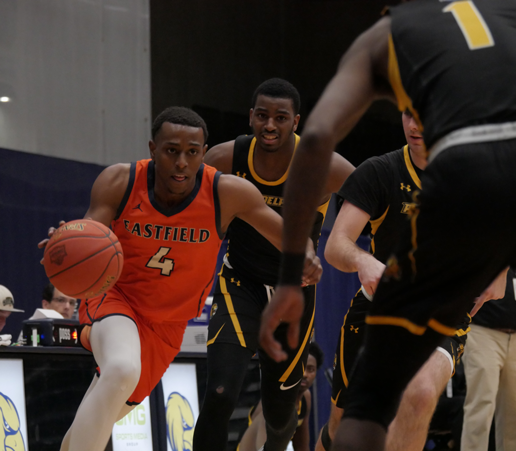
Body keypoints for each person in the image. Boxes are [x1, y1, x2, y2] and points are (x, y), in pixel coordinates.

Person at [259, 1, 516, 450]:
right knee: (349, 419)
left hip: (470, 182)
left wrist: (288, 280)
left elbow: (317, 138)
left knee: (402, 398)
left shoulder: (389, 33)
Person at [37, 106, 321, 451]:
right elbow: (89, 235)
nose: (182, 162)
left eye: (192, 152)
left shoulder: (226, 192)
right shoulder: (119, 182)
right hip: (116, 298)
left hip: (168, 325)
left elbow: (292, 237)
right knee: (123, 368)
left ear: (205, 153)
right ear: (153, 149)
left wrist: (305, 256)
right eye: (172, 151)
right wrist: (66, 245)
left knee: (103, 413)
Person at [317, 111, 505, 451]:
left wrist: (502, 272)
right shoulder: (380, 171)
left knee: (419, 393)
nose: (415, 125)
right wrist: (363, 261)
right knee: (341, 427)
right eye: (407, 113)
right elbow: (336, 245)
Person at [194, 78, 354, 451]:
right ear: (250, 117)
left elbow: (374, 193)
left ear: (295, 122)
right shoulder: (225, 158)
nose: (270, 125)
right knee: (219, 394)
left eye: (280, 118)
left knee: (282, 414)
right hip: (240, 284)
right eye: (262, 116)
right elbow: (178, 196)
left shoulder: (320, 163)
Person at [461, 270, 516, 451]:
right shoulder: (492, 246)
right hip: (482, 332)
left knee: (515, 413)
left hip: (514, 338)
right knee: (481, 406)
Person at [238, 341, 324, 451]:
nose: (305, 374)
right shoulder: (274, 402)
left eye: (311, 369)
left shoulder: (306, 397)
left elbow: (301, 445)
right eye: (301, 368)